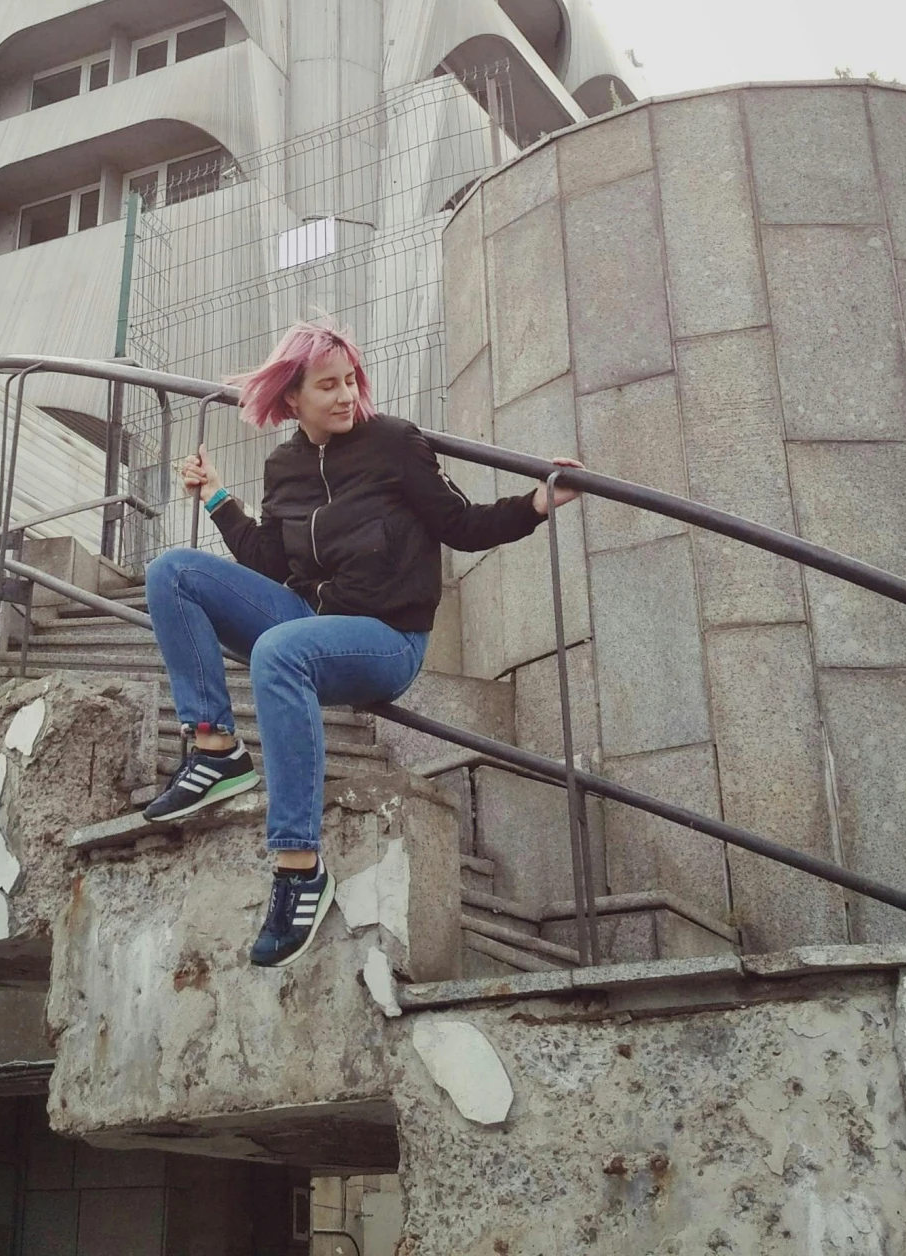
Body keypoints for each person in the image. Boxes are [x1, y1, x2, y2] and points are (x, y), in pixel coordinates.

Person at [142, 320, 581, 969]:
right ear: (293, 397)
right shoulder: (285, 466)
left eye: (351, 380)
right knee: (171, 572)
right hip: (307, 616)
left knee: (279, 653)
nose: (347, 395)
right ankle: (215, 748)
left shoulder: (395, 444)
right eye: (329, 385)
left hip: (386, 637)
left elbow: (460, 525)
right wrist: (217, 500)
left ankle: (298, 869)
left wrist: (537, 503)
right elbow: (273, 560)